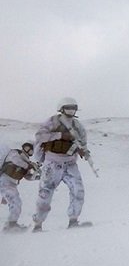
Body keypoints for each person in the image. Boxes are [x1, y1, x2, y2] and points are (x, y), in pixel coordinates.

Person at [32, 97, 92, 231]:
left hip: (70, 163)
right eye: (68, 107)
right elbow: (40, 136)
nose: (71, 110)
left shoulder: (78, 125)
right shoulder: (52, 121)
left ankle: (73, 221)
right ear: (61, 108)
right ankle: (38, 224)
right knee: (45, 194)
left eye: (73, 107)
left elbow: (83, 142)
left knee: (78, 191)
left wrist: (84, 151)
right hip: (52, 163)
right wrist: (60, 135)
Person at [1, 142, 40, 232]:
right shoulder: (15, 153)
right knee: (16, 203)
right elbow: (15, 160)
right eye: (26, 148)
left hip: (12, 184)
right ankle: (11, 225)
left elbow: (27, 177)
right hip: (5, 181)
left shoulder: (26, 161)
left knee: (16, 203)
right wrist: (29, 165)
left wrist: (37, 176)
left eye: (30, 150)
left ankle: (10, 224)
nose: (28, 151)